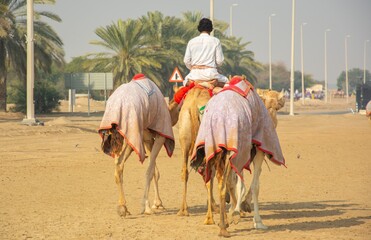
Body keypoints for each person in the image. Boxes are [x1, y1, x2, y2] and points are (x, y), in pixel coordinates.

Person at [183, 18, 229, 88]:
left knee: (184, 83)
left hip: (194, 75)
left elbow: (186, 61)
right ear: (211, 29)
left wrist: (194, 68)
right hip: (211, 75)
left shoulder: (191, 42)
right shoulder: (216, 41)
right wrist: (212, 66)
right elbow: (220, 61)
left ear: (199, 28)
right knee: (227, 82)